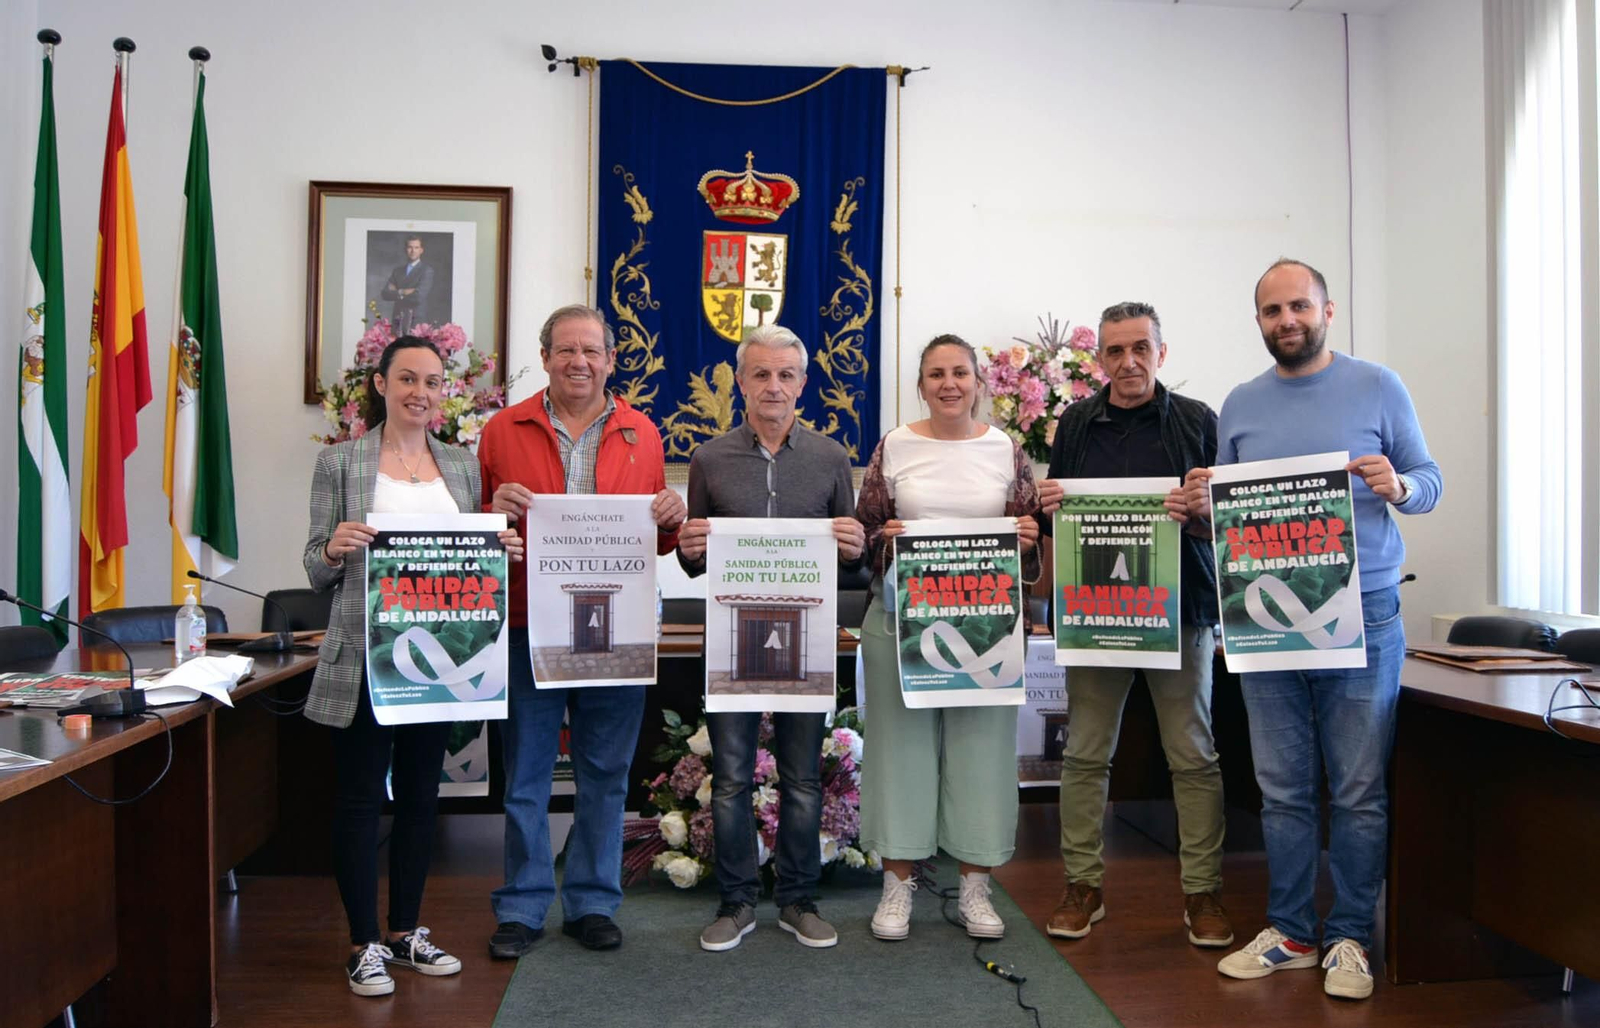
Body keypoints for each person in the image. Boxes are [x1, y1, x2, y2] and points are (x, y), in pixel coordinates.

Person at [1183, 259, 1442, 1001]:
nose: (1286, 320)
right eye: (1272, 310)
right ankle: (1292, 931)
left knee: (1358, 790)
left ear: (1327, 308)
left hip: (1366, 612)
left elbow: (1429, 480)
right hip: (1267, 624)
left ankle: (1352, 936)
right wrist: (1200, 509)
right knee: (1283, 789)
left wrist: (1400, 485)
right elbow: (1227, 524)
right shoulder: (1240, 404)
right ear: (1259, 320)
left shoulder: (1378, 385)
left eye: (1299, 305)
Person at [302, 335, 525, 997]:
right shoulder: (341, 464)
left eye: (431, 382)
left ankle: (404, 933)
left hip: (439, 661)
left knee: (426, 799)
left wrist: (499, 543)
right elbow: (313, 567)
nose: (420, 393)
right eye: (406, 379)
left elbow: (469, 553)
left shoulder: (460, 465)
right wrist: (335, 548)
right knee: (362, 798)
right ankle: (361, 942)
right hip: (370, 659)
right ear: (379, 383)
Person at [480, 304, 685, 957]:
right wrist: (492, 513)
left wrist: (673, 516)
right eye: (565, 350)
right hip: (527, 624)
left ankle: (593, 901)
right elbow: (476, 535)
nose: (579, 362)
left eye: (591, 351)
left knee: (603, 771)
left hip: (616, 627)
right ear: (544, 358)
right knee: (527, 774)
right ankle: (522, 905)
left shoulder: (642, 433)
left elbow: (653, 542)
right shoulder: (500, 431)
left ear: (611, 359)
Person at [1036, 302, 1232, 948]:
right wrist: (1047, 505)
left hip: (1182, 613)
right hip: (1097, 615)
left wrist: (1201, 510)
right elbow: (1054, 521)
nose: (1128, 363)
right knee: (1086, 754)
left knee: (1194, 756)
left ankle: (1202, 894)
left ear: (1161, 353)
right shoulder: (1076, 425)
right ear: (1099, 360)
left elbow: (1229, 525)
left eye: (1140, 349)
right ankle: (1083, 887)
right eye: (1115, 351)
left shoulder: (1199, 422)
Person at [674, 324, 866, 952]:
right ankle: (736, 904)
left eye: (785, 375)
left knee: (803, 777)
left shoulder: (832, 459)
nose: (773, 386)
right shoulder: (708, 459)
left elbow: (853, 566)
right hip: (732, 644)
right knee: (729, 779)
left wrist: (857, 548)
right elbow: (697, 564)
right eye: (761, 374)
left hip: (807, 643)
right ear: (741, 381)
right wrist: (688, 547)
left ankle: (798, 900)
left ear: (802, 383)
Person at [854, 333, 1041, 941]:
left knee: (982, 751)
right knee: (899, 752)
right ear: (920, 385)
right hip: (899, 620)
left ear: (979, 383)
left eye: (960, 372)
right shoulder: (894, 446)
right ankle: (897, 887)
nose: (949, 384)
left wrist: (1026, 538)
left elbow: (1031, 527)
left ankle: (975, 890)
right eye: (935, 374)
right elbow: (862, 534)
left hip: (985, 624)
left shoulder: (1006, 450)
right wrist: (887, 535)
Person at [381, 235, 434, 335]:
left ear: (421, 250)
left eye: (416, 247)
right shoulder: (397, 271)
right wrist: (403, 291)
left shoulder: (427, 270)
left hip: (416, 321)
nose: (413, 251)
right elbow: (385, 294)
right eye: (410, 247)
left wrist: (396, 292)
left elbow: (418, 297)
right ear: (406, 249)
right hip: (398, 319)